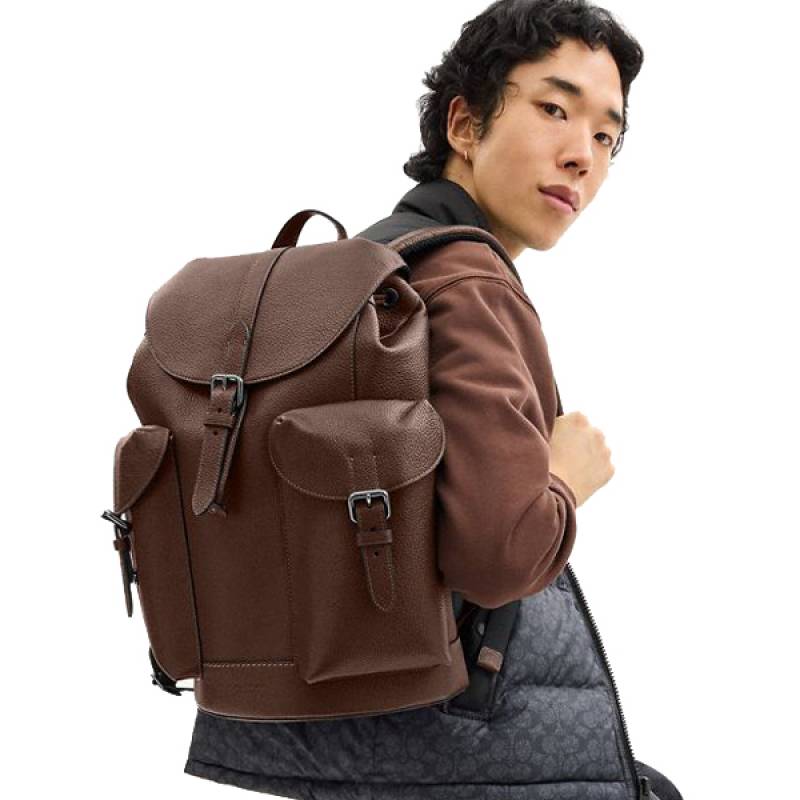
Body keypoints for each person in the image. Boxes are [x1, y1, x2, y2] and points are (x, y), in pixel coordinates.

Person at [184, 2, 684, 798]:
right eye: (554, 110)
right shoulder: (469, 283)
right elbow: (499, 555)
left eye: (605, 136)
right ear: (464, 125)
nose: (582, 156)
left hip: (297, 725)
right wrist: (566, 477)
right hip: (441, 727)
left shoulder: (366, 267)